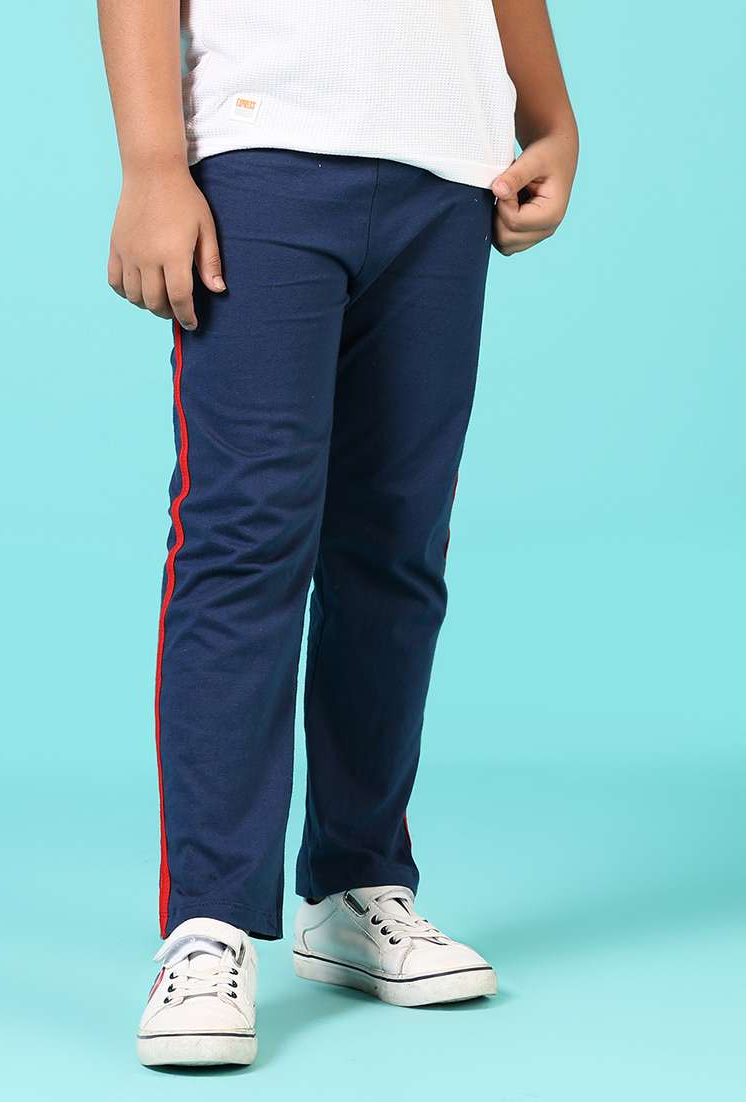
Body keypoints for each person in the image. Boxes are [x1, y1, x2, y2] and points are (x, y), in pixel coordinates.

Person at [98, 0, 577, 1068]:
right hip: (262, 153)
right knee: (246, 537)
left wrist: (550, 118)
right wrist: (152, 163)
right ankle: (210, 919)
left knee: (397, 544)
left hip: (447, 168)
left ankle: (356, 884)